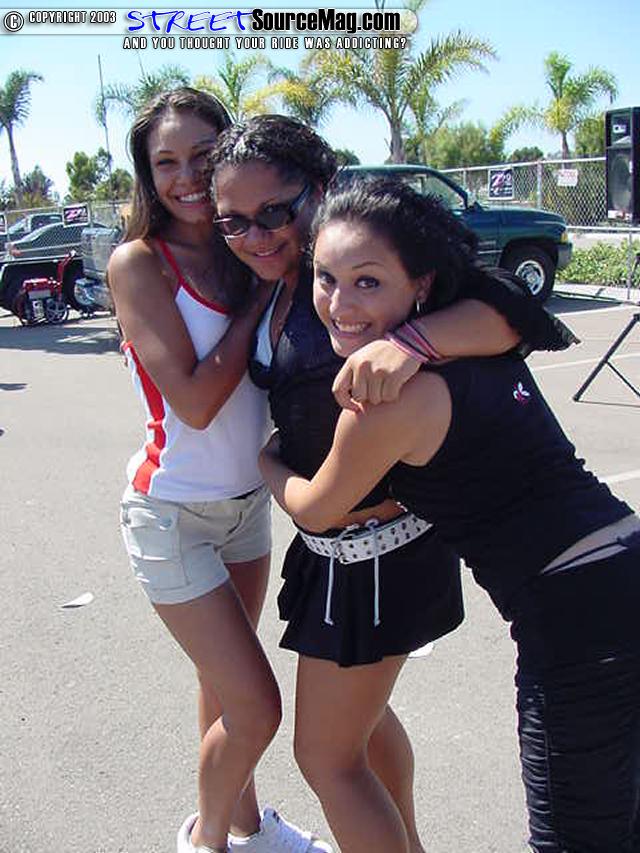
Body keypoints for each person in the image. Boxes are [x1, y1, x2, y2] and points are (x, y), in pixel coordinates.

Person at [208, 115, 576, 853]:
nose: (256, 234)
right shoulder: (291, 283)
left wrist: (413, 341)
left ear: (318, 192)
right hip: (342, 551)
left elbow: (509, 310)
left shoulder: (360, 278)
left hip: (372, 548)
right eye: (233, 221)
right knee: (363, 732)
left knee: (329, 758)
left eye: (274, 212)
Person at [258, 176, 640, 853]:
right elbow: (514, 312)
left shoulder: (385, 403)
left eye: (368, 281)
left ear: (421, 284)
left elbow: (317, 510)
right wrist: (413, 339)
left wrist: (268, 462)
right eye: (326, 279)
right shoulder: (474, 337)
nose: (340, 304)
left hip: (575, 617)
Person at [108, 88, 333, 853]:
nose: (185, 177)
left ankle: (249, 827)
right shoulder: (141, 263)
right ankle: (205, 842)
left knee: (224, 689)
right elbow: (198, 401)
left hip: (245, 511)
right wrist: (261, 293)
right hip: (171, 516)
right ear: (147, 175)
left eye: (202, 157)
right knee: (256, 706)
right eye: (165, 162)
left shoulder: (247, 246)